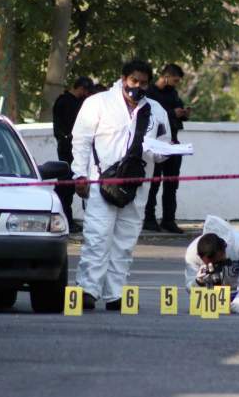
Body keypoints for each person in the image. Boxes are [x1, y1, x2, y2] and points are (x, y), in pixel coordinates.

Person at [71, 60, 171, 310]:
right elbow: (81, 141)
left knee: (125, 241)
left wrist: (160, 151)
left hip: (136, 185)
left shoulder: (156, 110)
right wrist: (79, 175)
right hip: (100, 182)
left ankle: (115, 294)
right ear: (123, 78)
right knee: (97, 238)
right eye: (134, 81)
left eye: (143, 83)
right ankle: (88, 290)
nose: (138, 86)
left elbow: (164, 148)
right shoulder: (98, 103)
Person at [143, 64, 191, 234]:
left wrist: (184, 113)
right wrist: (172, 113)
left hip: (173, 143)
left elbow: (177, 111)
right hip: (156, 145)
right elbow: (151, 117)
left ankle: (168, 220)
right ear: (166, 76)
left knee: (172, 184)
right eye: (175, 80)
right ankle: (149, 219)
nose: (176, 84)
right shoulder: (149, 93)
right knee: (154, 183)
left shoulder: (173, 93)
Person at [52, 76, 94, 232]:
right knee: (66, 185)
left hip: (75, 148)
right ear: (81, 89)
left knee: (70, 185)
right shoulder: (65, 102)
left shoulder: (77, 102)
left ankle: (68, 218)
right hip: (67, 148)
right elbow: (64, 127)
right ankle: (66, 219)